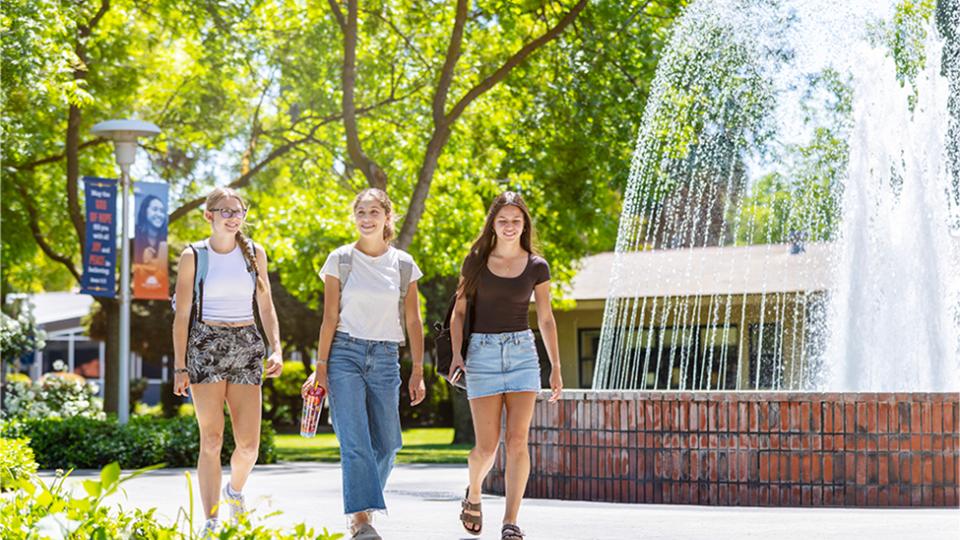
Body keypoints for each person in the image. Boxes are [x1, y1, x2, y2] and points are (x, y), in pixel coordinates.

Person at [301, 188, 426, 540]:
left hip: (386, 357)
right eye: (361, 212)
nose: (367, 219)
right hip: (344, 355)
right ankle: (359, 520)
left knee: (388, 443)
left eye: (374, 212)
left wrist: (418, 370)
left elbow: (413, 322)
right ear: (354, 217)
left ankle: (364, 506)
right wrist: (320, 366)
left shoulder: (403, 264)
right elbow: (328, 317)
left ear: (388, 217)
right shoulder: (340, 260)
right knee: (355, 441)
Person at [447, 191, 563, 540]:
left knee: (517, 442)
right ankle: (475, 492)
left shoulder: (536, 266)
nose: (510, 226)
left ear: (524, 223)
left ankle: (510, 522)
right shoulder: (476, 260)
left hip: (522, 355)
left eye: (516, 220)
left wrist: (555, 365)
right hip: (481, 354)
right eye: (503, 220)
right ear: (493, 224)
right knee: (486, 447)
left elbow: (545, 318)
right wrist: (456, 355)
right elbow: (460, 311)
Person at [171, 187, 283, 536]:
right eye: (225, 211)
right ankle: (212, 519)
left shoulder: (254, 254)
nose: (233, 217)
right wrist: (180, 365)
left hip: (247, 344)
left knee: (249, 445)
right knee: (212, 439)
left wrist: (275, 347)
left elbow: (265, 306)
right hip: (206, 344)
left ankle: (234, 491)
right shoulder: (194, 256)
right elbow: (182, 314)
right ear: (209, 216)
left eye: (239, 211)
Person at [135, 194, 168, 267]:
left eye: (162, 211)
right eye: (155, 209)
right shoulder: (135, 238)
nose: (159, 214)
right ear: (144, 211)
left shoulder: (164, 242)